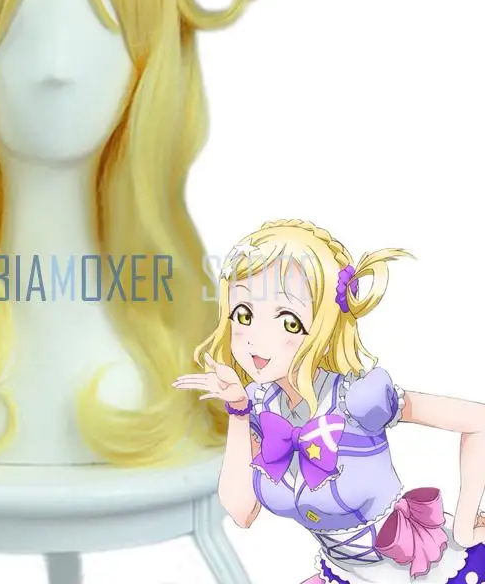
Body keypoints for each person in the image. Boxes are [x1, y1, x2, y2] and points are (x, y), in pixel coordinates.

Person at [174, 219, 485, 583]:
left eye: (288, 321)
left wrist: (465, 525)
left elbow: (478, 420)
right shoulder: (260, 405)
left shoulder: (361, 396)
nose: (255, 339)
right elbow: (241, 513)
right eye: (244, 315)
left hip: (421, 567)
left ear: (324, 326)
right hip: (341, 574)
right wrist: (238, 411)